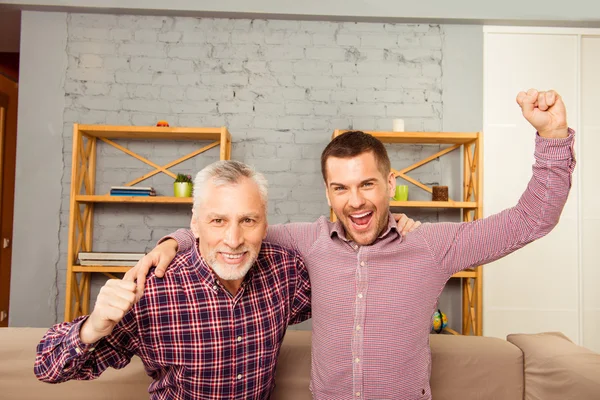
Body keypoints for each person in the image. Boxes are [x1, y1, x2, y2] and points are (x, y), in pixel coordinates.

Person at [128, 88, 576, 399]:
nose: (356, 200)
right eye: (341, 188)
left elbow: (529, 220)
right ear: (328, 193)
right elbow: (238, 235)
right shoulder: (306, 240)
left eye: (367, 184)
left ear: (390, 184)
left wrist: (553, 138)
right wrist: (177, 239)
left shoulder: (433, 246)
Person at [34, 160, 315, 399]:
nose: (233, 240)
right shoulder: (152, 290)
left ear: (265, 225)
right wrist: (92, 326)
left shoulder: (284, 271)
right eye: (218, 221)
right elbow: (47, 367)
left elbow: (344, 285)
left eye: (248, 221)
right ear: (194, 224)